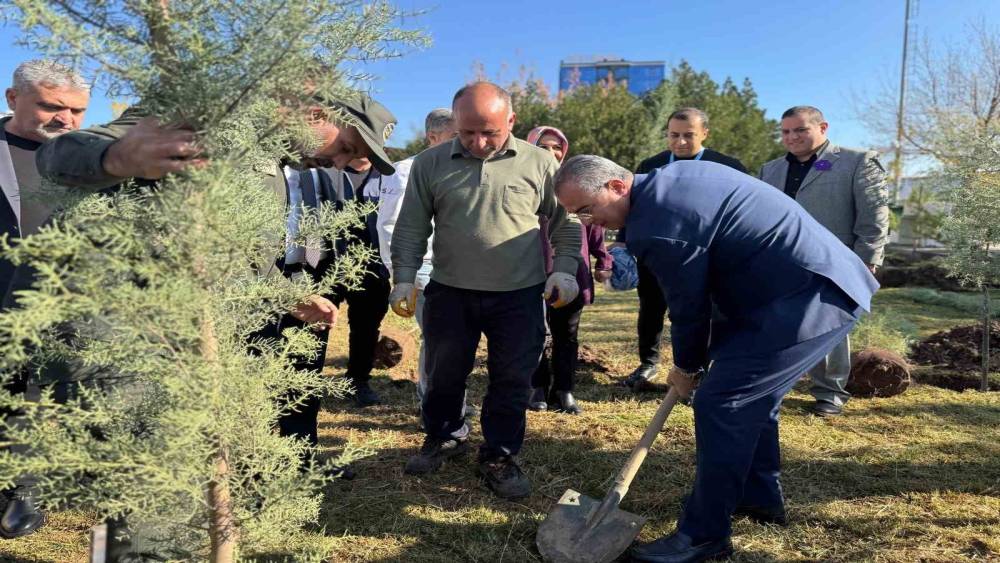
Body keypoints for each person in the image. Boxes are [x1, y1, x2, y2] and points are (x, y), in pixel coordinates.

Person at [553, 155, 878, 563]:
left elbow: (689, 306)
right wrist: (705, 358)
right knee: (750, 400)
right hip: (790, 290)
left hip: (808, 297)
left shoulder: (659, 225)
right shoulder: (673, 179)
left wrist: (688, 367)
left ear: (617, 186)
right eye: (575, 215)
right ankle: (757, 497)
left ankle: (703, 536)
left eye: (586, 209)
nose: (586, 222)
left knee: (723, 403)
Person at [389, 82, 581, 500]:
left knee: (512, 379)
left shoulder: (541, 163)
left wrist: (565, 271)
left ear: (511, 121)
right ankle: (443, 436)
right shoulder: (430, 163)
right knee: (442, 375)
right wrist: (404, 276)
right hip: (450, 292)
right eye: (467, 132)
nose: (477, 142)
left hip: (519, 294)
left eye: (489, 132)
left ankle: (499, 454)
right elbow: (412, 225)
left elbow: (567, 223)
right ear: (455, 124)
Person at [0, 58, 90, 540]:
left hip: (61, 307)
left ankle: (21, 493)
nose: (66, 120)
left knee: (32, 401)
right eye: (52, 107)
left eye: (77, 111)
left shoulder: (91, 160)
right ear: (13, 99)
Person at [759, 105, 889, 417]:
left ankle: (830, 393)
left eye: (800, 129)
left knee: (827, 327)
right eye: (786, 131)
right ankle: (775, 384)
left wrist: (866, 262)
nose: (792, 137)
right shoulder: (770, 170)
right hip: (779, 261)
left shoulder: (858, 161)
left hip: (835, 262)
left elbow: (874, 218)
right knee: (777, 325)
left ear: (823, 127)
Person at [619, 108, 747, 390]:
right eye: (674, 135)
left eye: (688, 135)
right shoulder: (651, 165)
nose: (681, 142)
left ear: (704, 133)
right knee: (651, 309)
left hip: (707, 255)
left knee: (704, 312)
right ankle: (648, 364)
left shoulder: (727, 166)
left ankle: (700, 370)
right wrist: (621, 242)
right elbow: (631, 206)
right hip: (657, 254)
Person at [375, 108, 464, 415]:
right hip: (424, 270)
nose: (462, 142)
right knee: (439, 339)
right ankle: (434, 405)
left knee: (454, 339)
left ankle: (451, 403)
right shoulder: (405, 171)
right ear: (433, 137)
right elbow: (390, 227)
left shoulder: (456, 168)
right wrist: (403, 276)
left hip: (456, 269)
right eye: (455, 136)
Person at [524, 126, 611, 415]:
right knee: (535, 332)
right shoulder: (521, 182)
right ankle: (535, 386)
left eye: (556, 147)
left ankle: (564, 391)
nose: (551, 153)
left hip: (573, 268)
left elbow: (595, 225)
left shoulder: (577, 184)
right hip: (530, 269)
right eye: (544, 146)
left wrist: (603, 260)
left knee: (567, 333)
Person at [323, 156, 392, 407]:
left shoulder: (389, 176)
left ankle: (358, 381)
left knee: (366, 329)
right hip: (327, 265)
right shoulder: (326, 171)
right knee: (317, 325)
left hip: (372, 266)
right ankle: (305, 381)